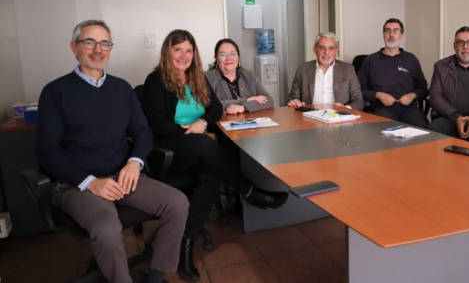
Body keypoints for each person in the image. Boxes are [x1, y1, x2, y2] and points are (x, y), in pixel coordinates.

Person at [35, 20, 188, 283]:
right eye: (89, 42)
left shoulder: (121, 88)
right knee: (106, 227)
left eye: (104, 43)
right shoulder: (55, 92)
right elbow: (46, 151)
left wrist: (134, 163)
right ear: (75, 48)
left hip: (123, 176)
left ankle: (156, 276)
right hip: (76, 184)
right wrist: (90, 182)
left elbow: (143, 131)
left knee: (178, 203)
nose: (98, 49)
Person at [141, 29, 289, 280]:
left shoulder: (197, 77)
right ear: (168, 51)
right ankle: (251, 192)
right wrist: (195, 133)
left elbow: (215, 109)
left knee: (210, 179)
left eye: (189, 50)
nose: (184, 55)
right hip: (166, 151)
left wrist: (202, 125)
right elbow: (158, 123)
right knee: (206, 145)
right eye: (178, 50)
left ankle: (185, 249)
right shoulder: (155, 81)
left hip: (196, 148)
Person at [357, 18, 429, 127]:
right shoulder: (371, 60)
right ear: (383, 35)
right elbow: (359, 90)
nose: (391, 35)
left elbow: (424, 89)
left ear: (402, 35)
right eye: (387, 31)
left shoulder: (411, 59)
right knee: (387, 132)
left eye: (396, 31)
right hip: (382, 108)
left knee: (422, 130)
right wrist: (378, 95)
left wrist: (412, 95)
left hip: (408, 108)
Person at [287, 32, 364, 111]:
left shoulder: (348, 69)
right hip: (310, 115)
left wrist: (346, 108)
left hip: (338, 116)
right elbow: (293, 97)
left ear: (336, 51)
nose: (326, 52)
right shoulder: (303, 69)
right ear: (315, 50)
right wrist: (294, 101)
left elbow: (358, 101)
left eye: (331, 48)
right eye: (322, 48)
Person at [205, 38, 273, 114]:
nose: (229, 58)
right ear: (216, 59)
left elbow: (269, 101)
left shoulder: (249, 75)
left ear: (238, 56)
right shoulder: (207, 77)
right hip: (219, 124)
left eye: (232, 53)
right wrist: (246, 100)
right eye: (223, 55)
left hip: (249, 123)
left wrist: (243, 107)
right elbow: (207, 105)